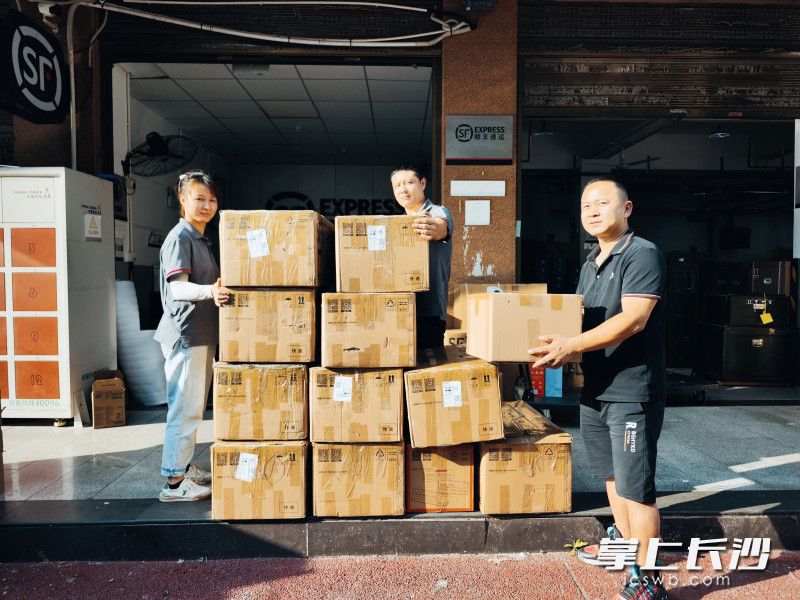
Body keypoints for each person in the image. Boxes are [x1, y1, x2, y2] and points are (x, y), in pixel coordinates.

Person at [529, 178, 668, 600]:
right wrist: (553, 346)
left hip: (631, 391)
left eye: (602, 203)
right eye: (586, 205)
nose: (592, 210)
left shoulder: (642, 253)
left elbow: (634, 319)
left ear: (627, 208)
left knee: (636, 487)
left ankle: (648, 580)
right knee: (611, 476)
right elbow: (579, 322)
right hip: (595, 390)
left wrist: (571, 345)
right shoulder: (591, 262)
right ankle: (628, 552)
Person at [154, 170, 231, 502]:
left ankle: (182, 468)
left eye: (211, 199)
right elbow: (178, 288)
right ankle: (174, 483)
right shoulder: (180, 238)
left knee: (193, 408)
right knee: (184, 410)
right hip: (186, 335)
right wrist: (210, 291)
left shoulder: (200, 239)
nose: (206, 205)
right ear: (182, 199)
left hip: (200, 335)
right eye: (199, 198)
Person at [390, 165, 453, 348]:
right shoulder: (397, 224)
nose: (403, 189)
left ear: (423, 183)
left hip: (429, 312)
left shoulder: (437, 212)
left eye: (409, 182)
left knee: (428, 363)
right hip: (398, 308)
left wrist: (432, 227)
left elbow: (440, 226)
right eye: (397, 185)